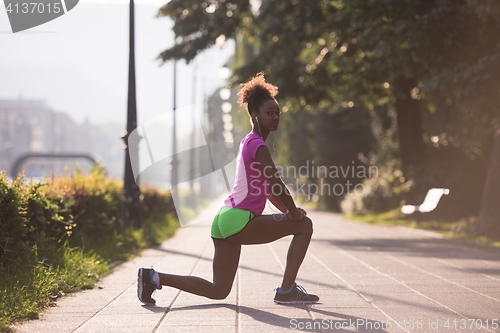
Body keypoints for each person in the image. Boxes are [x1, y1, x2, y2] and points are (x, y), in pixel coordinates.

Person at [137, 72, 319, 305]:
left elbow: (270, 191)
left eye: (277, 113)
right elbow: (276, 183)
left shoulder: (248, 141)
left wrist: (287, 211)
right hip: (239, 220)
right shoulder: (258, 145)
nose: (275, 117)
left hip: (223, 219)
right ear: (254, 116)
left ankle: (152, 277)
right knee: (304, 225)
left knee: (218, 290)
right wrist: (293, 214)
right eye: (269, 113)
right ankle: (286, 291)